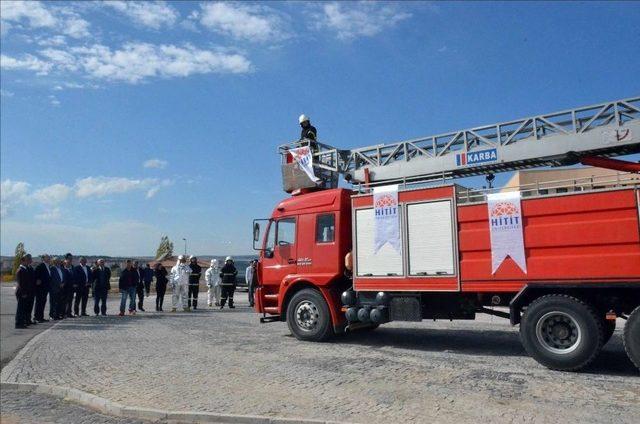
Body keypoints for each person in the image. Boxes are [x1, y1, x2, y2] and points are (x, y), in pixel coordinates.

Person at [14, 254, 33, 329]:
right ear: (23, 261)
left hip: (25, 292)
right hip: (21, 293)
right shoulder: (20, 270)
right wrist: (24, 293)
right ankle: (18, 323)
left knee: (23, 308)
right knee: (20, 309)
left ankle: (22, 322)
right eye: (27, 260)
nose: (28, 261)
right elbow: (21, 283)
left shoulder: (25, 269)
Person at [34, 254, 52, 322]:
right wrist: (38, 280)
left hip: (46, 288)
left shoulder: (48, 266)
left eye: (49, 257)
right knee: (39, 302)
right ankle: (37, 317)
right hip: (40, 288)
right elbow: (36, 275)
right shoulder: (40, 266)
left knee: (43, 302)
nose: (49, 259)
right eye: (47, 257)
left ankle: (41, 317)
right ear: (43, 259)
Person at [62, 253, 77, 318]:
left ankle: (69, 313)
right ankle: (63, 313)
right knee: (64, 301)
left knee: (70, 301)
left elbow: (75, 277)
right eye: (69, 259)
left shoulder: (73, 267)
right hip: (64, 288)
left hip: (71, 288)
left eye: (71, 259)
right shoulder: (62, 267)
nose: (70, 260)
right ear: (65, 259)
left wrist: (75, 283)